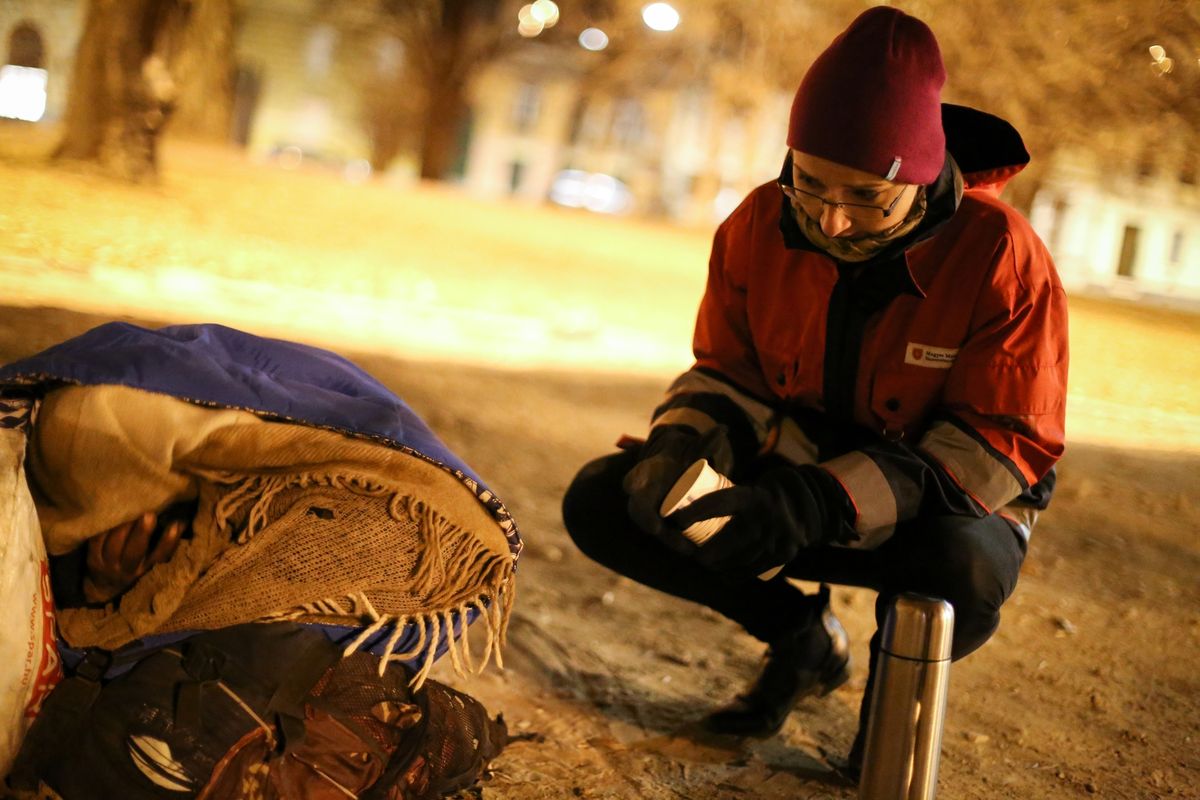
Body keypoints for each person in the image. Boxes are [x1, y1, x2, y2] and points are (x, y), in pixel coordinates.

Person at [561, 5, 1067, 778]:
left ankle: (894, 699)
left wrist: (822, 500)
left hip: (936, 507)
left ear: (922, 176)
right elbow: (728, 373)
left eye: (868, 196)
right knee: (617, 497)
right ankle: (800, 640)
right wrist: (683, 447)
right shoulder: (760, 221)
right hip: (790, 482)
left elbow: (999, 438)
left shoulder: (1001, 254)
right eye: (812, 182)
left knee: (960, 567)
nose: (832, 217)